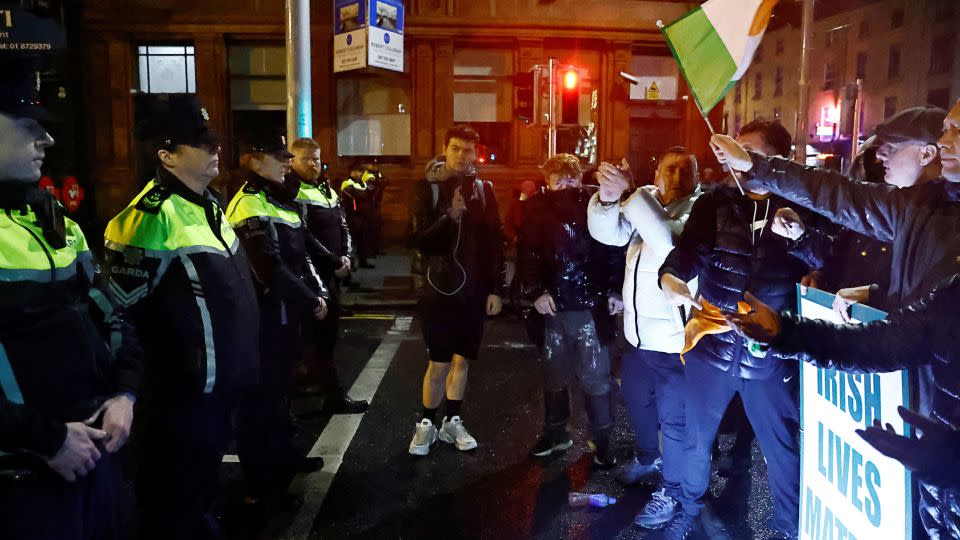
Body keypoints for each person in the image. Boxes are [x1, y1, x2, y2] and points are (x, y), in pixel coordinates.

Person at [711, 98, 960, 540]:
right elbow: (840, 195)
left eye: (957, 131)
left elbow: (909, 333)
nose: (945, 142)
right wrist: (760, 166)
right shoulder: (924, 205)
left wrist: (789, 332)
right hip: (931, 437)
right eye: (945, 130)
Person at [656, 120, 830, 538]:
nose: (736, 159)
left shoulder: (803, 205)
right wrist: (671, 278)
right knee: (697, 441)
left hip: (772, 350)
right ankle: (688, 508)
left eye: (748, 151)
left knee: (782, 449)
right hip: (713, 343)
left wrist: (804, 238)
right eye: (735, 149)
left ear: (779, 159)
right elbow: (688, 252)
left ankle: (789, 528)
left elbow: (828, 259)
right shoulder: (715, 202)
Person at [102, 94, 261, 540]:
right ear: (166, 155)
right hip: (182, 400)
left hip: (217, 390)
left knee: (201, 491)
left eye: (214, 142)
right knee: (173, 504)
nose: (215, 150)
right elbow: (118, 314)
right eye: (201, 144)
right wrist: (127, 392)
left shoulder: (208, 204)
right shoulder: (147, 217)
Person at [0, 55, 142, 540]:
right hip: (23, 480)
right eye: (27, 125)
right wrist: (48, 439)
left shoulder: (53, 220)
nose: (48, 139)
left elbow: (112, 311)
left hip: (93, 454)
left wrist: (125, 390)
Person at [723, 276, 960, 538]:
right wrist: (787, 332)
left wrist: (951, 464)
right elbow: (879, 343)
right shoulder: (954, 296)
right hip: (938, 511)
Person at [586, 148, 701, 518]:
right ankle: (649, 458)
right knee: (638, 402)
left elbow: (669, 242)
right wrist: (608, 197)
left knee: (675, 421)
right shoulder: (645, 200)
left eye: (687, 169)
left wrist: (629, 193)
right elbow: (609, 235)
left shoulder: (700, 209)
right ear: (657, 170)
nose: (679, 176)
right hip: (638, 340)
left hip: (675, 343)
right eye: (671, 168)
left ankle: (673, 491)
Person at [227, 132, 337, 504]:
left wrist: (315, 290)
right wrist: (311, 299)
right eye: (278, 157)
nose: (287, 162)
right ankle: (259, 483)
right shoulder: (247, 204)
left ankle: (283, 459)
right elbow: (268, 267)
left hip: (287, 311)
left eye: (287, 156)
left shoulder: (278, 196)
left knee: (280, 391)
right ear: (254, 161)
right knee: (260, 399)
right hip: (266, 315)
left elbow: (302, 248)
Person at [406, 125, 505, 456]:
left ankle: (452, 421)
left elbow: (495, 241)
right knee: (439, 362)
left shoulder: (484, 189)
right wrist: (450, 216)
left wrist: (495, 289)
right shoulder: (426, 189)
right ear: (445, 150)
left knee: (462, 360)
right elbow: (418, 240)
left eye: (468, 150)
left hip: (474, 291)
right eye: (456, 148)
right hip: (438, 290)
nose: (462, 155)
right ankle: (426, 423)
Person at [519, 153, 623, 466]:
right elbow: (527, 253)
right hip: (553, 309)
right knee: (554, 374)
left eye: (570, 178)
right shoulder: (535, 209)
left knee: (597, 377)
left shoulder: (597, 203)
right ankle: (555, 432)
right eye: (557, 179)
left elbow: (615, 248)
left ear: (580, 178)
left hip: (593, 307)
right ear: (547, 181)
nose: (565, 185)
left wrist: (616, 289)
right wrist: (535, 290)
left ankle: (602, 439)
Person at [290, 137, 369, 413]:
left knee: (326, 337)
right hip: (312, 275)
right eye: (306, 159)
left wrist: (346, 255)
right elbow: (304, 237)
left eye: (316, 157)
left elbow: (343, 225)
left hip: (332, 272)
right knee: (317, 338)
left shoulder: (327, 189)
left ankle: (318, 387)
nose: (313, 163)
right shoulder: (294, 192)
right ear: (293, 161)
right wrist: (335, 260)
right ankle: (330, 395)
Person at [341, 164, 375, 269]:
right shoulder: (347, 183)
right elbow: (354, 197)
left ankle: (363, 261)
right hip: (353, 216)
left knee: (362, 240)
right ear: (352, 171)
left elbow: (372, 191)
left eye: (361, 172)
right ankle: (351, 264)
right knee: (353, 242)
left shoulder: (361, 183)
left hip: (364, 215)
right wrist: (363, 194)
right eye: (358, 171)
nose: (360, 174)